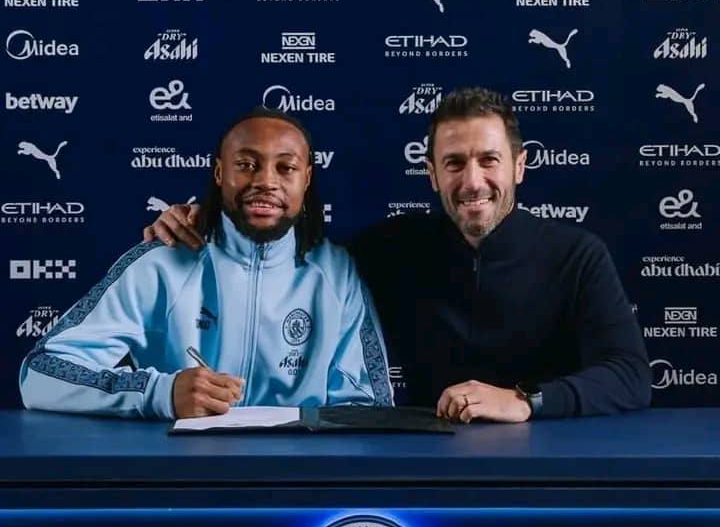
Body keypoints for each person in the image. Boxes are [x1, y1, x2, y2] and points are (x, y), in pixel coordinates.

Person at [142, 88, 651, 423]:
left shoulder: (577, 255)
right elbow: (283, 247)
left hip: (548, 462)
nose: (473, 181)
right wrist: (204, 220)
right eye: (454, 163)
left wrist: (524, 401)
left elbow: (630, 375)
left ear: (519, 166)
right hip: (427, 463)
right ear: (431, 173)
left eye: (489, 160)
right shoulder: (388, 250)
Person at [19, 108, 392, 419]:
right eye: (246, 164)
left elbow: (370, 407)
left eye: (285, 168)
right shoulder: (162, 262)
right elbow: (40, 374)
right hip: (181, 474)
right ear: (219, 173)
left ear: (306, 179)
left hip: (297, 478)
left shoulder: (336, 272)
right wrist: (158, 393)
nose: (265, 181)